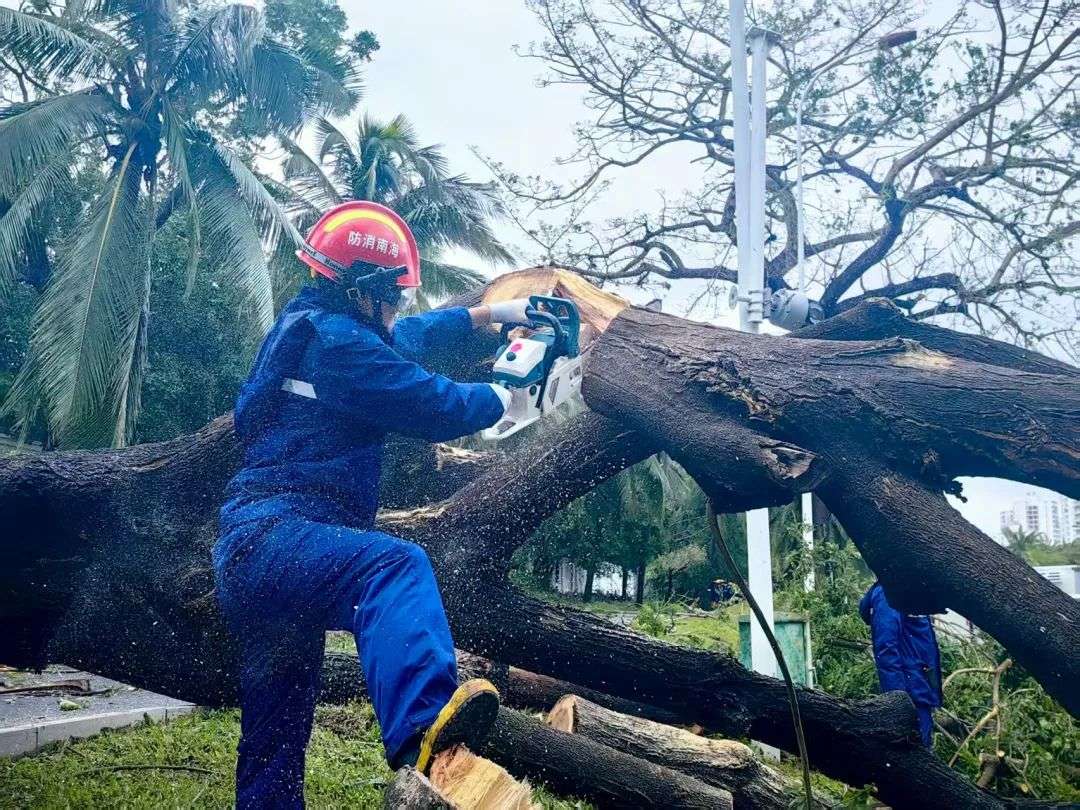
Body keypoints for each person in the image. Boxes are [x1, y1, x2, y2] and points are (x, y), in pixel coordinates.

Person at [213, 200, 533, 808]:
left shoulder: (309, 327)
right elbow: (432, 404)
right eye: (394, 294)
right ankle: (426, 734)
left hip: (258, 554)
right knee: (394, 566)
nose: (398, 308)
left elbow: (409, 335)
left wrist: (492, 314)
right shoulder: (341, 350)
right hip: (278, 538)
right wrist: (504, 398)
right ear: (364, 290)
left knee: (276, 731)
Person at [859, 581, 943, 747]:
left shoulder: (910, 589)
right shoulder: (889, 594)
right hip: (910, 694)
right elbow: (886, 650)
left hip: (921, 690)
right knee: (915, 754)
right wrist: (899, 701)